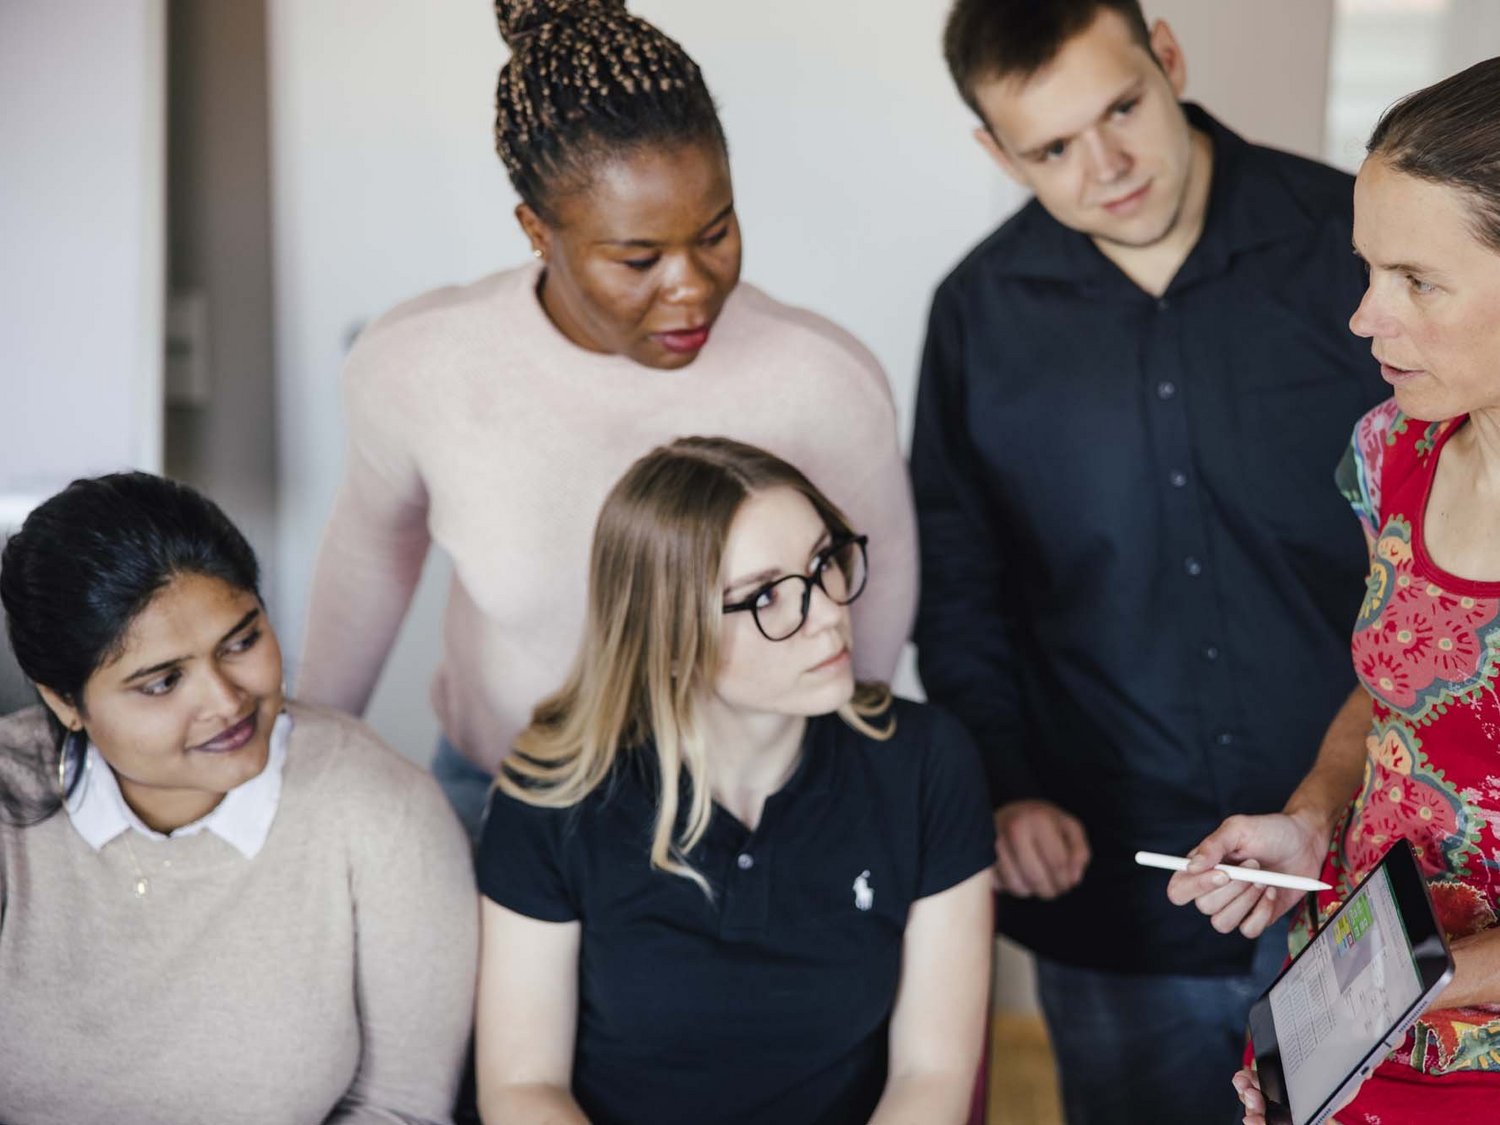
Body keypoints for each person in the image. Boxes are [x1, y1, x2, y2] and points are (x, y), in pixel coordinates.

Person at [911, 1, 1387, 1120]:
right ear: (997, 153)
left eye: (1121, 109)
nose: (1106, 167)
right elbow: (962, 584)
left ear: (1167, 57)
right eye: (1051, 149)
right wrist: (1008, 784)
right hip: (1123, 891)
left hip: (1364, 858)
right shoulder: (978, 314)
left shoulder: (1358, 247)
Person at [296, 0, 916, 840]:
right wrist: (298, 772)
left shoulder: (821, 379)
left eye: (716, 233)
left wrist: (835, 803)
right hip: (501, 796)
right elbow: (372, 555)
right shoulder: (420, 365)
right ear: (536, 230)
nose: (690, 286)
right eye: (638, 258)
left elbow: (871, 617)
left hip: (750, 812)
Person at [472, 437, 994, 1124]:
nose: (829, 612)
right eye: (766, 596)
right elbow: (522, 1086)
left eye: (824, 562)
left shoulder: (926, 764)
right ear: (667, 639)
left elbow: (933, 1072)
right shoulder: (554, 796)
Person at [1168, 57, 1500, 1124]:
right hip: (1358, 1000)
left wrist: (1402, 988)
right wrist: (1312, 819)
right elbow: (1398, 690)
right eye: (1368, 270)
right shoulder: (1391, 449)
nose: (1365, 317)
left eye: (1417, 281)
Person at [0, 473, 477, 1125]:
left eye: (242, 642)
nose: (226, 701)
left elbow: (400, 1105)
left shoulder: (386, 810)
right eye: (163, 682)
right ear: (63, 700)